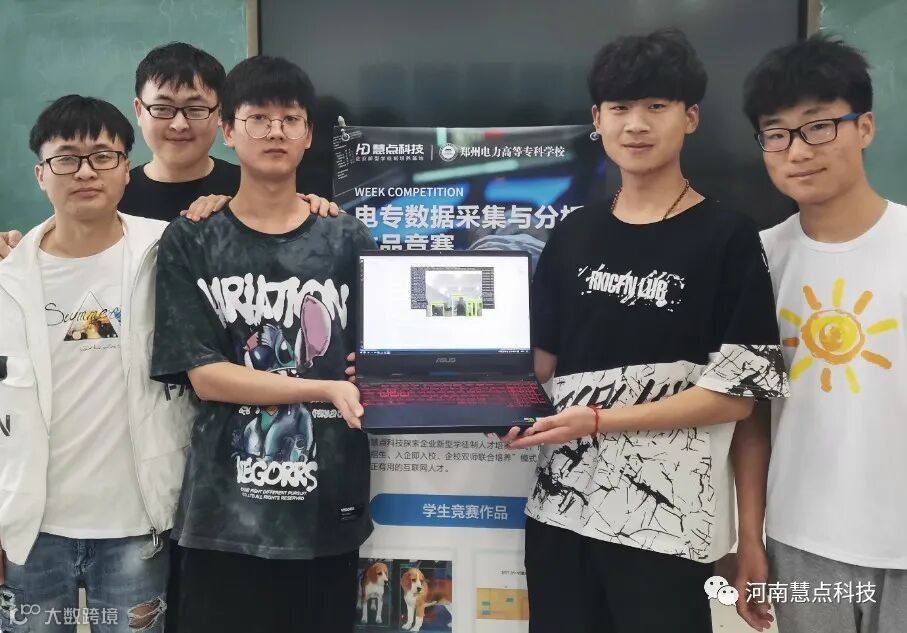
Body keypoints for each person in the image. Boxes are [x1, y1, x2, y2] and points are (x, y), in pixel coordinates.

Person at [499, 29, 789, 633]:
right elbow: (540, 365)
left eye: (656, 106)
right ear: (597, 120)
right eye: (620, 107)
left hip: (665, 526)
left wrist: (750, 538)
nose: (636, 124)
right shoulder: (573, 234)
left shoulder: (729, 238)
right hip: (560, 515)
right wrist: (427, 382)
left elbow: (737, 398)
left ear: (691, 117)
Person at [150, 55, 376, 633]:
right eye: (258, 118)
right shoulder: (193, 239)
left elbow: (381, 358)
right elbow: (204, 374)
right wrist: (324, 387)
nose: (276, 131)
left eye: (290, 119)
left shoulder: (347, 238)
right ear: (228, 130)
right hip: (223, 516)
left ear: (309, 135)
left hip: (326, 509)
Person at [0, 95, 196, 633]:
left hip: (136, 524)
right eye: (66, 158)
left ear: (126, 169)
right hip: (31, 529)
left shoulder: (170, 252)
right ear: (41, 174)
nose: (85, 171)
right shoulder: (8, 279)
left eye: (103, 156)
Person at [734, 34, 907, 633]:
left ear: (865, 127)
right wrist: (749, 537)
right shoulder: (757, 260)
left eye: (818, 126)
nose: (797, 151)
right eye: (776, 133)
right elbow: (752, 412)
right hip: (802, 538)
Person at [0, 42, 337, 259]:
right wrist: (21, 251)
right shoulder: (107, 192)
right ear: (139, 110)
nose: (179, 124)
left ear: (220, 114)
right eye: (162, 108)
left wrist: (316, 211)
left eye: (195, 109)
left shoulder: (250, 190)